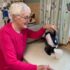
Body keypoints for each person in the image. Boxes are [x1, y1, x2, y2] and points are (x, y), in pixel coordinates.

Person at [0, 2, 55, 70]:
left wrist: (44, 27)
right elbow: (12, 63)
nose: (28, 20)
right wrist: (37, 67)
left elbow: (35, 35)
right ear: (15, 17)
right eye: (26, 17)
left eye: (29, 17)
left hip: (18, 63)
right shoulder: (4, 33)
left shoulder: (23, 29)